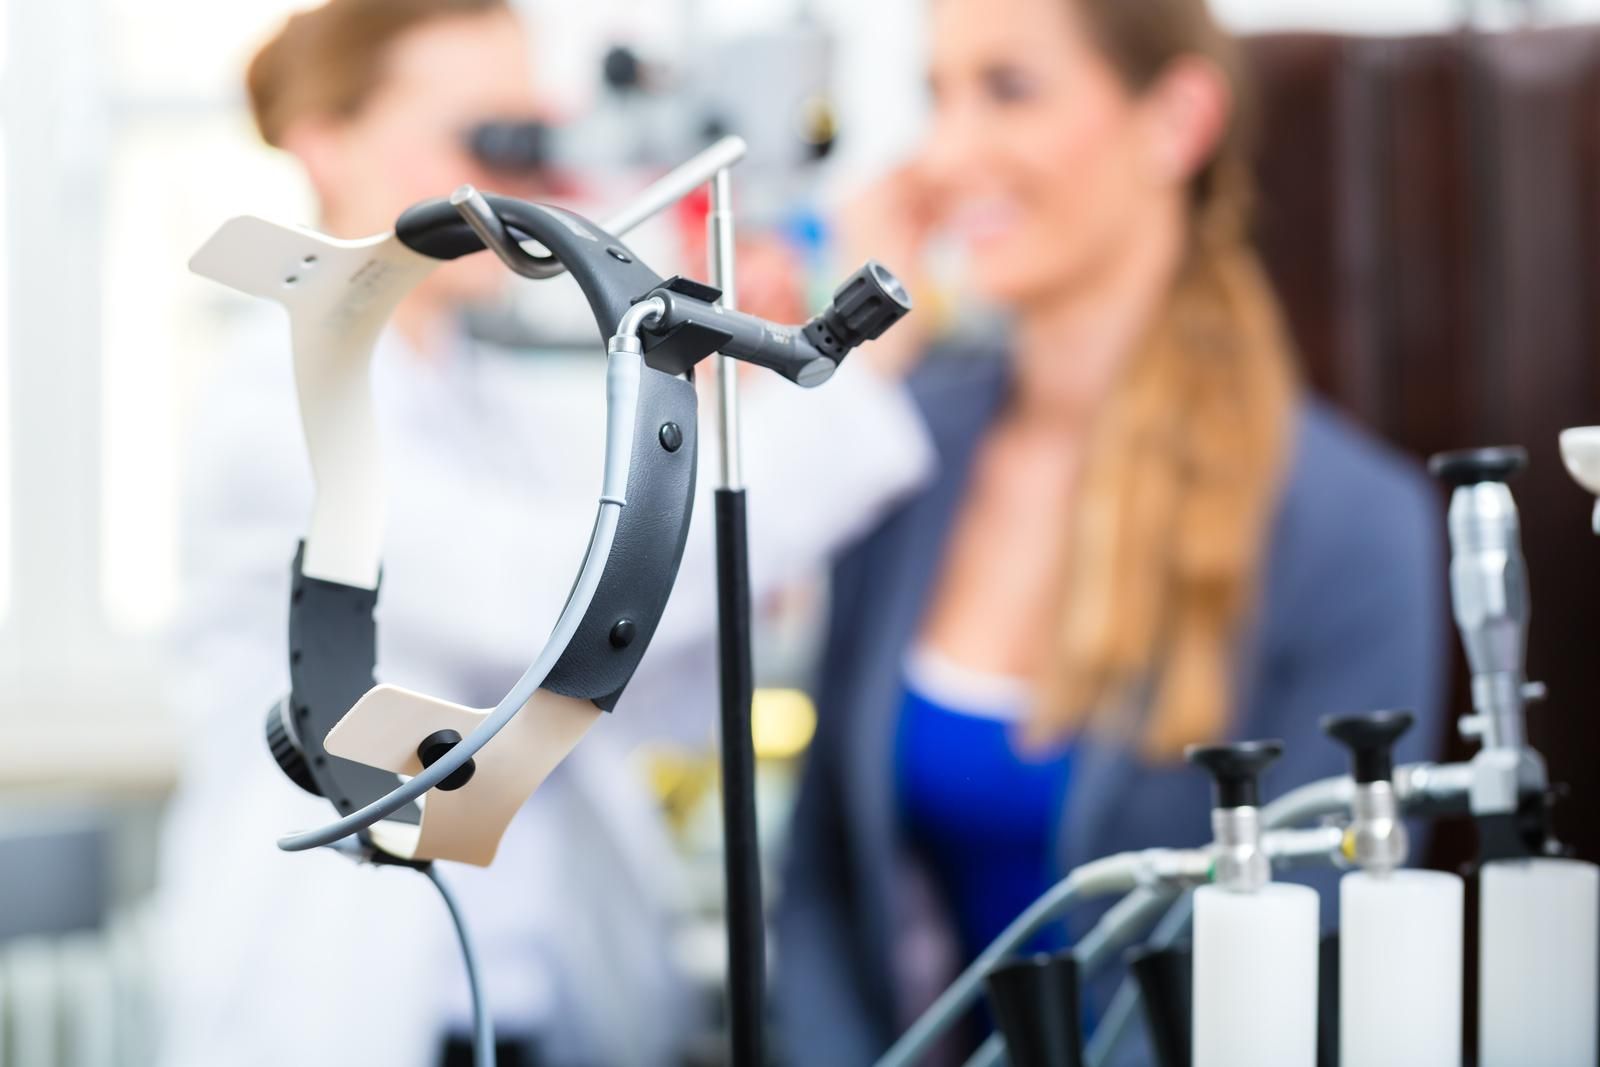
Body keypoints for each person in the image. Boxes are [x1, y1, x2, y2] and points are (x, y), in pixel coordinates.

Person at [154, 1, 936, 1064]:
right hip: (340, 999)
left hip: (546, 1004)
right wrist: (864, 384)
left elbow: (645, 669)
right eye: (487, 136)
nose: (522, 184)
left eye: (533, 137)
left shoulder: (488, 397)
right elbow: (544, 609)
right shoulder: (274, 405)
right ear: (324, 142)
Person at [776, 0, 1448, 1061]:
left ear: (1175, 120)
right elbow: (817, 882)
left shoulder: (1355, 526)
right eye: (933, 96)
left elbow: (1316, 953)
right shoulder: (900, 452)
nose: (944, 156)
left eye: (1010, 89)